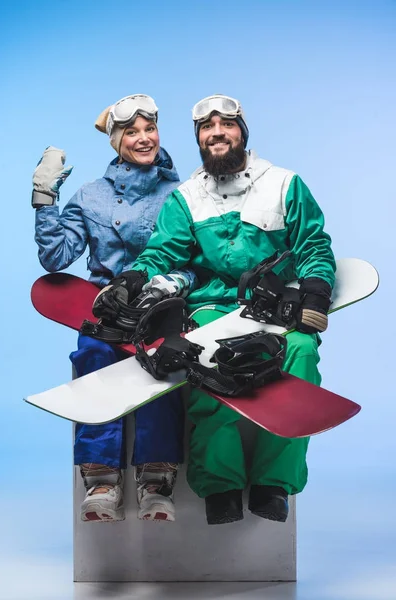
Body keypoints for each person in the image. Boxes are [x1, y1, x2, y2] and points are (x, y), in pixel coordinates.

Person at [93, 93, 336, 526]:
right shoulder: (187, 197)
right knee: (204, 360)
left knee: (301, 354)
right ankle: (220, 487)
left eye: (226, 124)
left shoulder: (284, 183)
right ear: (199, 138)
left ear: (242, 131)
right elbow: (163, 250)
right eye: (207, 128)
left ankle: (273, 484)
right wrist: (133, 278)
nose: (217, 133)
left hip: (274, 306)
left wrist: (316, 293)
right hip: (212, 309)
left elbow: (314, 244)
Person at [32, 94, 197, 523]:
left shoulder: (183, 193)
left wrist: (172, 281)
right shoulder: (91, 196)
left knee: (160, 365)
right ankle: (101, 478)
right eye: (131, 132)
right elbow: (56, 258)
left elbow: (198, 259)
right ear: (116, 140)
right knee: (94, 357)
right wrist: (44, 198)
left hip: (163, 304)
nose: (144, 139)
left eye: (149, 129)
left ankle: (156, 479)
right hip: (106, 306)